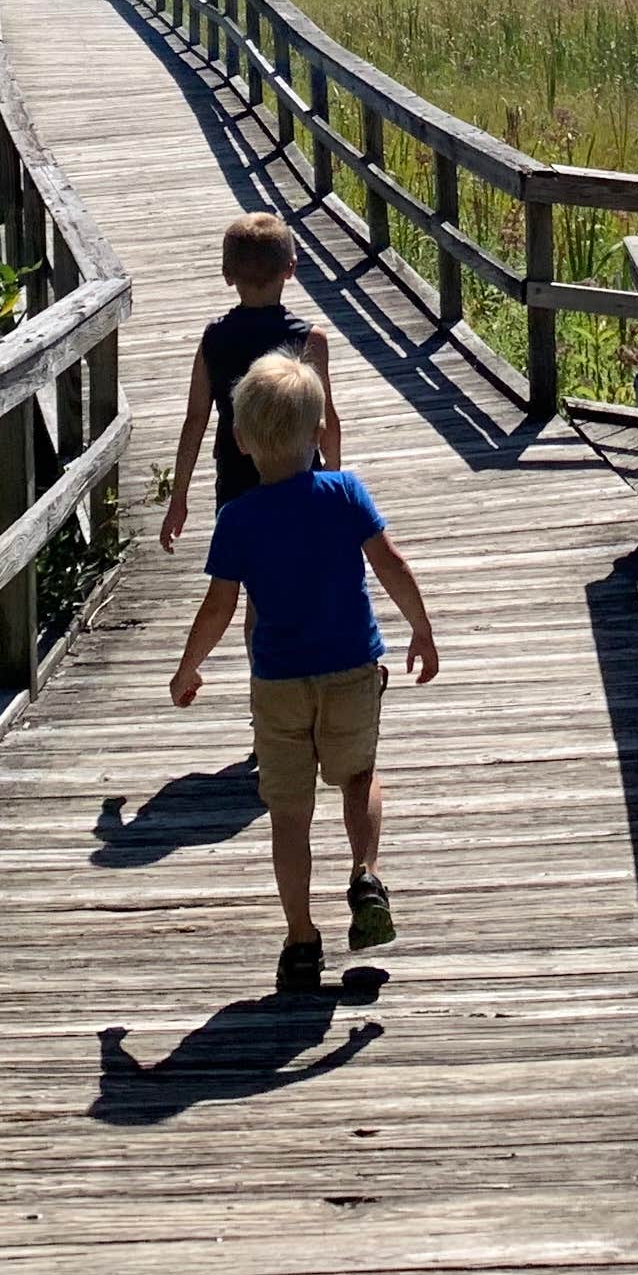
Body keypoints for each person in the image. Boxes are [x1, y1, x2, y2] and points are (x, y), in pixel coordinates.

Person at [167, 351, 438, 993]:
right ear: (320, 433)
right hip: (350, 671)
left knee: (288, 816)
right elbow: (391, 564)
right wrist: (421, 629)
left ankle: (300, 940)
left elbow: (220, 606)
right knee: (359, 776)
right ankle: (365, 873)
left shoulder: (237, 519)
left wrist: (188, 667)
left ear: (239, 440)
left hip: (279, 686)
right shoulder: (344, 493)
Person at [160, 211, 341, 549]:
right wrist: (334, 477)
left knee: (249, 573)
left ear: (228, 275)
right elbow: (326, 418)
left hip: (235, 476)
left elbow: (195, 419)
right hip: (299, 475)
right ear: (291, 268)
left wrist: (178, 498)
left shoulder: (214, 338)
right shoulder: (310, 340)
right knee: (294, 568)